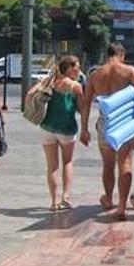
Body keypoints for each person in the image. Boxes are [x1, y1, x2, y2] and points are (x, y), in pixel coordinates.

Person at [80, 43, 134, 221]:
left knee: (108, 165)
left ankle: (109, 199)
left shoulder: (95, 75)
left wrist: (84, 129)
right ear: (121, 54)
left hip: (105, 123)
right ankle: (121, 207)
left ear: (107, 55)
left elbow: (86, 103)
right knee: (125, 164)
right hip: (124, 124)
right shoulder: (128, 71)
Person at [28, 56, 84, 211]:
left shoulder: (50, 81)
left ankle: (53, 202)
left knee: (52, 166)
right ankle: (65, 198)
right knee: (67, 162)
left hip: (47, 126)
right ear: (69, 69)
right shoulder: (76, 86)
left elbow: (30, 94)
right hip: (66, 128)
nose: (79, 70)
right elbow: (82, 109)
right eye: (77, 67)